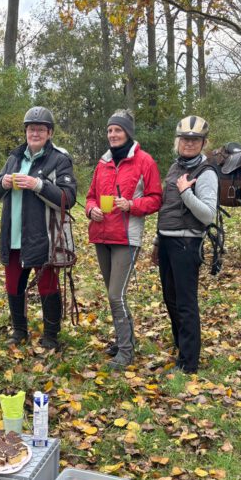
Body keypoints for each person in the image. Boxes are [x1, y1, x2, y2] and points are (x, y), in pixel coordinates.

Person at [0, 106, 77, 350]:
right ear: (25, 132)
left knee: (47, 285)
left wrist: (38, 185)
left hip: (44, 236)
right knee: (13, 285)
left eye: (40, 129)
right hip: (13, 235)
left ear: (50, 133)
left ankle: (51, 335)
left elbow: (68, 198)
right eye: (31, 129)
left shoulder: (59, 159)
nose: (35, 133)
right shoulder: (14, 158)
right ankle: (19, 331)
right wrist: (3, 183)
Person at [85, 109, 162, 368]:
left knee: (115, 294)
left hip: (127, 237)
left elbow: (156, 199)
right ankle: (123, 340)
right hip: (101, 234)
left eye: (118, 130)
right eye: (110, 130)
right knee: (113, 294)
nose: (113, 134)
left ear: (128, 133)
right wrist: (91, 210)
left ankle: (126, 353)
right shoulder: (103, 162)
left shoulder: (144, 161)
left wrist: (131, 205)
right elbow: (90, 196)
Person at [152, 115, 218, 373]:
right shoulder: (174, 168)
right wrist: (157, 241)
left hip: (187, 243)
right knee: (170, 298)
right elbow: (167, 207)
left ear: (203, 143)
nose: (189, 143)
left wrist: (186, 192)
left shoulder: (206, 173)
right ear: (178, 141)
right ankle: (182, 347)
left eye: (195, 139)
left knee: (185, 302)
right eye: (185, 139)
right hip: (167, 242)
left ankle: (189, 362)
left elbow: (208, 215)